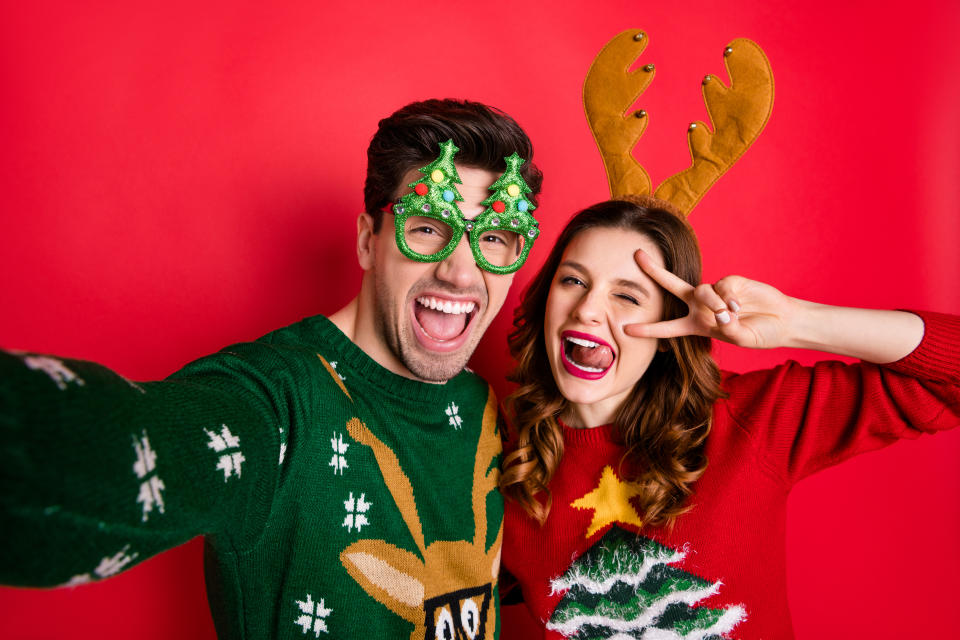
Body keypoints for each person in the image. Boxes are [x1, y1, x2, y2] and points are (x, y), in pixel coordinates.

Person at [0, 98, 543, 639]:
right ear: (366, 241)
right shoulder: (276, 402)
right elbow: (135, 446)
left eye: (494, 237)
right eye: (427, 226)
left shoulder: (483, 407)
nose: (460, 270)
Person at [499, 198, 959, 639]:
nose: (587, 309)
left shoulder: (750, 420)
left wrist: (795, 320)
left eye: (627, 295)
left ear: (669, 331)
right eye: (573, 281)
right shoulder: (499, 452)